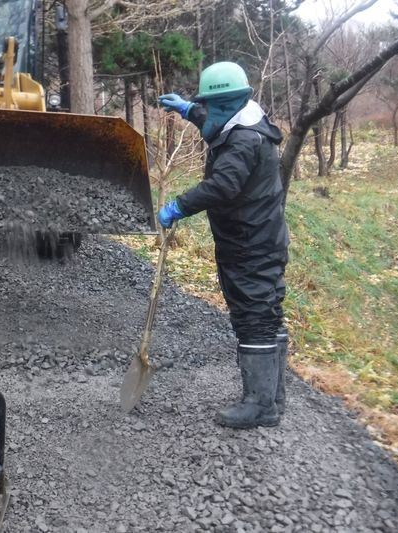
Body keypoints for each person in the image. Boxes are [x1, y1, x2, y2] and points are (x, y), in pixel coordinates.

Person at [157, 61, 289, 429]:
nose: (208, 113)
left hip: (250, 244)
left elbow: (222, 185)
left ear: (230, 103)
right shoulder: (247, 120)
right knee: (267, 312)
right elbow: (217, 123)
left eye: (211, 105)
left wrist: (178, 206)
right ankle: (273, 396)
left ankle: (261, 405)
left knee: (254, 316)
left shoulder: (245, 141)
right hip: (260, 238)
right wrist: (188, 110)